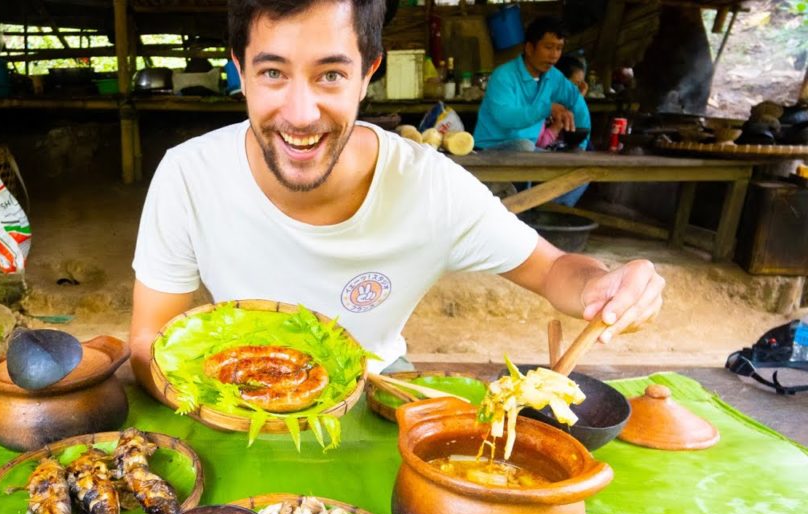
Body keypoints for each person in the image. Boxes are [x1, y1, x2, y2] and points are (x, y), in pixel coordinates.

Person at [129, 0, 664, 391]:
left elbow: (554, 272)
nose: (299, 113)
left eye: (331, 75)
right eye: (272, 73)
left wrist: (604, 285)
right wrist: (220, 403)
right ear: (239, 70)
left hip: (380, 388)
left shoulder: (432, 186)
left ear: (368, 74)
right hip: (237, 394)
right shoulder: (189, 176)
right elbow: (148, 342)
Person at [474, 17, 590, 152]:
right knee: (525, 146)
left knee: (561, 156)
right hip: (490, 149)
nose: (554, 55)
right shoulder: (503, 76)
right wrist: (547, 108)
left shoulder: (554, 77)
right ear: (529, 48)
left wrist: (581, 145)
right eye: (548, 47)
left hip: (528, 151)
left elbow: (577, 102)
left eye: (559, 48)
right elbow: (505, 117)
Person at [537, 55, 588, 149]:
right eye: (574, 84)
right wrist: (556, 127)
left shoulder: (573, 105)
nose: (575, 90)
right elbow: (540, 143)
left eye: (579, 85)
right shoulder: (541, 104)